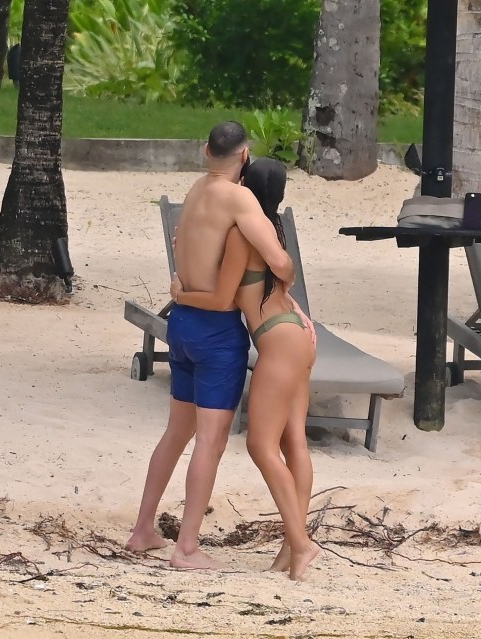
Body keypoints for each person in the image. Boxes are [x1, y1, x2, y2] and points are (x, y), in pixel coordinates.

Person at [126, 122, 295, 571]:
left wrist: (182, 291)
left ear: (206, 151)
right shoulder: (239, 198)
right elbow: (280, 262)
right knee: (211, 441)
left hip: (180, 324)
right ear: (244, 157)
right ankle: (186, 548)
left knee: (176, 431)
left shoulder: (197, 189)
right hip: (217, 332)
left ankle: (144, 529)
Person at [170, 158, 320, 581]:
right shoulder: (273, 230)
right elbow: (282, 274)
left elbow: (220, 299)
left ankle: (302, 544)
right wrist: (290, 298)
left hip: (277, 342)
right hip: (297, 336)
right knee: (295, 445)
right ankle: (290, 552)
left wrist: (181, 294)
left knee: (260, 446)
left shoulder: (240, 235)